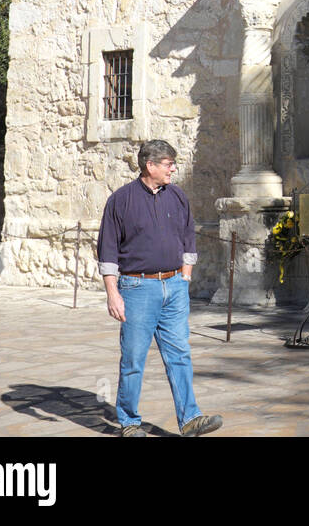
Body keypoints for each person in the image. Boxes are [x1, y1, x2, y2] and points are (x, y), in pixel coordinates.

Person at [98, 140, 222, 437]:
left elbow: (188, 234)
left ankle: (190, 419)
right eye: (168, 163)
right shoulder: (121, 200)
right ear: (149, 165)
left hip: (175, 287)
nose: (173, 168)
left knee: (179, 354)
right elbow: (108, 249)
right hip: (137, 288)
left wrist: (186, 274)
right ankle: (129, 422)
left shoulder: (177, 196)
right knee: (133, 360)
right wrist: (113, 293)